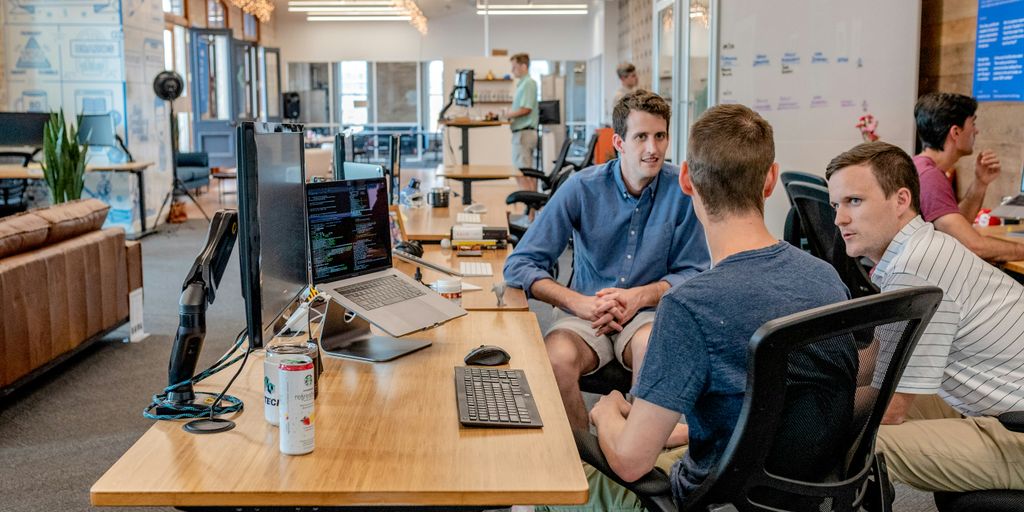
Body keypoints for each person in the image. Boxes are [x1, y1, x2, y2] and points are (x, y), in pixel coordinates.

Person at [537, 103, 857, 511]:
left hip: (708, 497)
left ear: (686, 179)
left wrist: (607, 412)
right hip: (798, 493)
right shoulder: (826, 278)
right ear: (771, 180)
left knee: (545, 486)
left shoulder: (689, 306)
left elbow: (631, 463)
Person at [503, 90, 709, 432]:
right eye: (641, 137)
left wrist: (639, 297)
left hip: (647, 315)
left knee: (653, 351)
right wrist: (577, 303)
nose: (652, 149)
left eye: (660, 136)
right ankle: (586, 456)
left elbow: (696, 272)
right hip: (585, 312)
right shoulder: (581, 188)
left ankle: (633, 454)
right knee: (555, 359)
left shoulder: (683, 191)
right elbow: (520, 264)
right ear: (619, 142)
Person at [826, 140, 1024, 492]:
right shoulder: (920, 250)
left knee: (859, 441)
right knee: (833, 407)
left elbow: (891, 409)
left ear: (901, 200)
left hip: (1014, 434)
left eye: (854, 201)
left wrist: (796, 413)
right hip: (997, 410)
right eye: (836, 205)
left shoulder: (916, 269)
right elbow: (881, 358)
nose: (839, 219)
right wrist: (801, 383)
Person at [912, 92, 1024, 261]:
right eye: (973, 123)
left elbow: (956, 229)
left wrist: (980, 183)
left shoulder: (921, 167)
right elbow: (973, 245)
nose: (976, 130)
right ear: (955, 132)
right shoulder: (929, 177)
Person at [506, 53, 539, 191]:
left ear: (524, 66)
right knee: (525, 173)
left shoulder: (528, 83)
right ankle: (531, 210)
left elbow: (526, 109)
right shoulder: (522, 84)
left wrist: (508, 114)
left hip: (524, 134)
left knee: (522, 173)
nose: (512, 70)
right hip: (522, 133)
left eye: (514, 67)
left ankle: (530, 209)